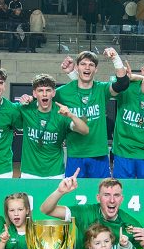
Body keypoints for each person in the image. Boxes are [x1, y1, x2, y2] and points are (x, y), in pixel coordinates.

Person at [55, 49, 131, 178]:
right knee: (73, 195)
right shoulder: (63, 92)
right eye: (83, 64)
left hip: (99, 154)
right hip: (75, 154)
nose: (87, 67)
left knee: (101, 196)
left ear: (96, 70)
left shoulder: (101, 89)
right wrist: (27, 99)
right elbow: (41, 98)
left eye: (91, 65)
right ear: (77, 67)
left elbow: (122, 84)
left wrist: (116, 58)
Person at [16, 74, 89, 179]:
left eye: (48, 90)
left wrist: (71, 115)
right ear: (34, 93)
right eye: (40, 90)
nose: (44, 94)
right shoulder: (25, 109)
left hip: (55, 173)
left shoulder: (62, 112)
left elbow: (85, 130)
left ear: (53, 93)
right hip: (29, 172)